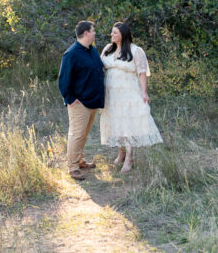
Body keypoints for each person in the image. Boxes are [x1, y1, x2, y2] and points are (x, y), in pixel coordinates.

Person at [99, 21, 163, 172]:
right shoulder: (108, 49)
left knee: (127, 123)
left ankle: (129, 157)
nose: (112, 35)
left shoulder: (136, 50)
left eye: (115, 32)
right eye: (112, 32)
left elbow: (142, 72)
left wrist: (144, 92)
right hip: (111, 94)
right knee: (115, 122)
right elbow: (99, 66)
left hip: (128, 92)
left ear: (123, 34)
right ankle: (120, 153)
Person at [57, 20, 105, 180]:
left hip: (93, 100)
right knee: (76, 134)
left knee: (84, 134)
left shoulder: (92, 50)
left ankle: (80, 160)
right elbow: (63, 80)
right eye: (93, 31)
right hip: (79, 102)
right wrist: (70, 99)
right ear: (86, 33)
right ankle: (72, 167)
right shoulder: (71, 54)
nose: (95, 34)